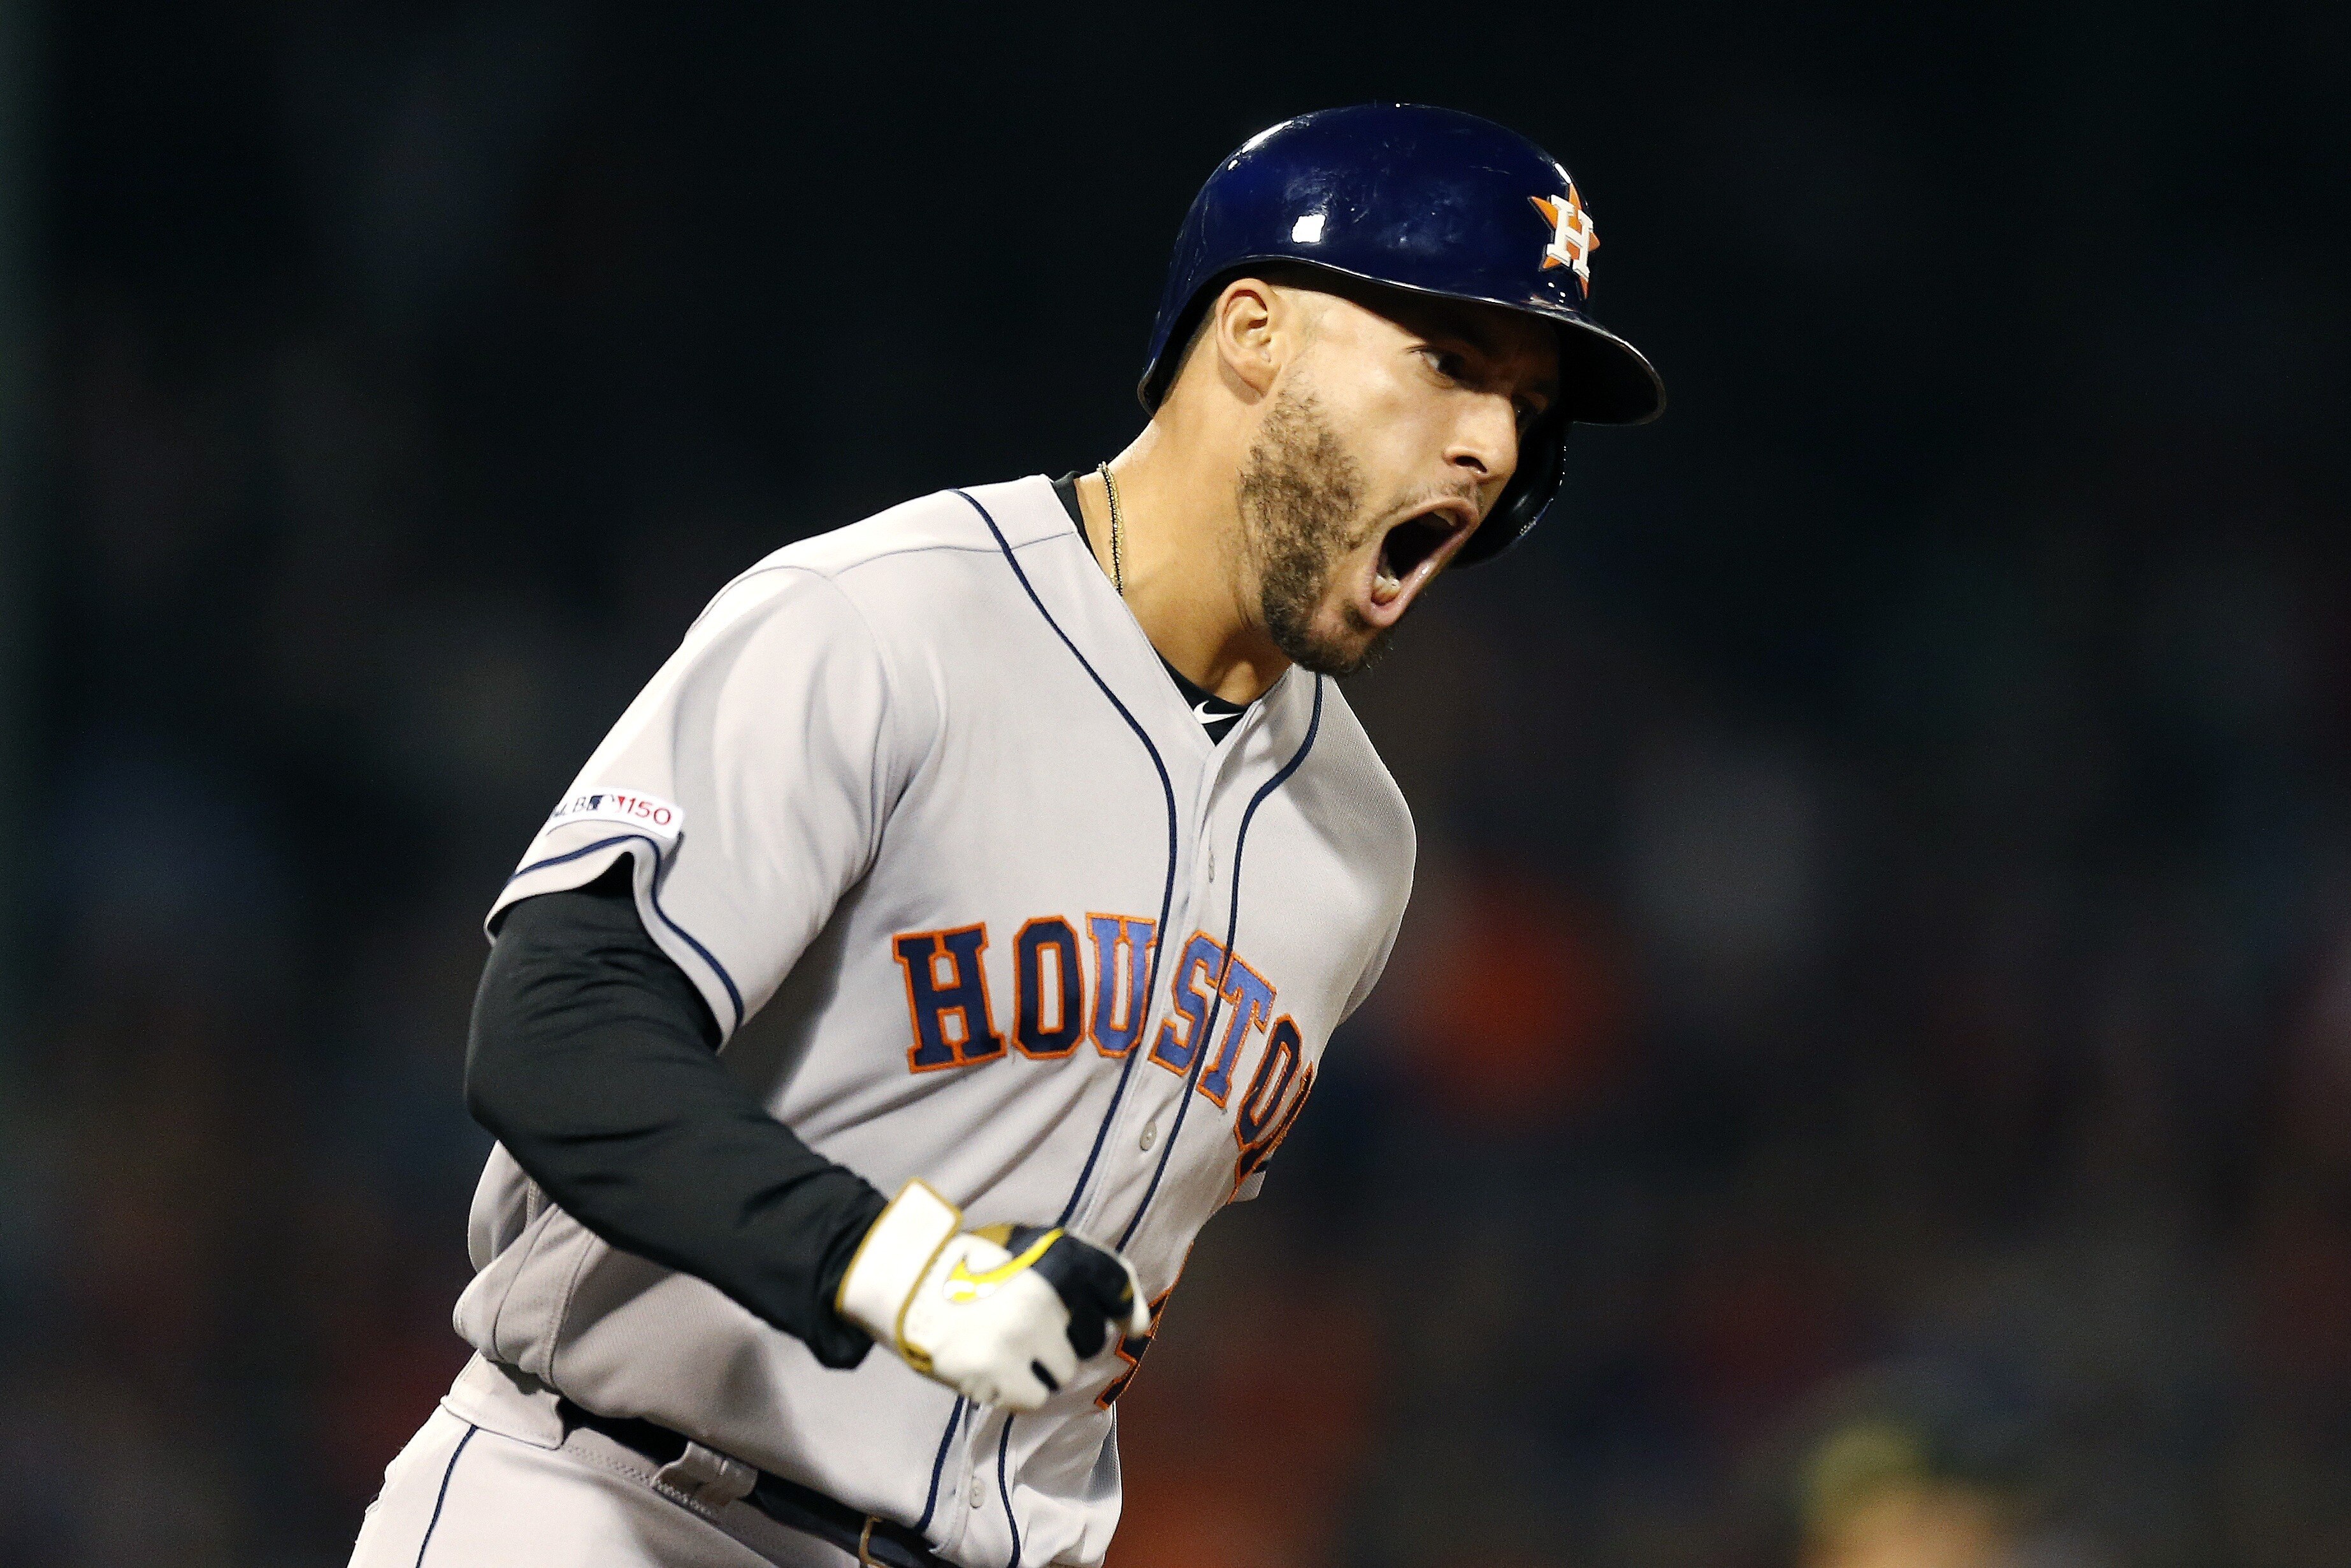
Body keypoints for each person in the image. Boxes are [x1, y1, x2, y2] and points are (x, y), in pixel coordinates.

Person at [348, 101, 1664, 1568]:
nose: (1492, 445)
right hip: (609, 1503)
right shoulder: (886, 622)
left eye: (1526, 409)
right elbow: (557, 1028)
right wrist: (898, 1270)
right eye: (1451, 365)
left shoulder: (1358, 846)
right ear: (1252, 333)